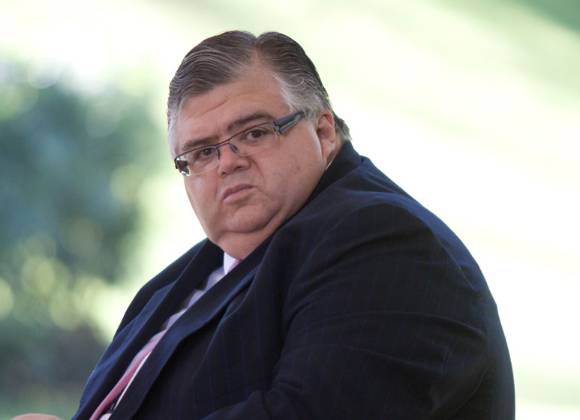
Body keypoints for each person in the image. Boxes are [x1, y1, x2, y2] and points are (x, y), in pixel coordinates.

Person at [18, 30, 515, 420]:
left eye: (254, 133)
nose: (227, 162)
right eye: (201, 153)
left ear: (323, 131)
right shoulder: (182, 278)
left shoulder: (385, 242)